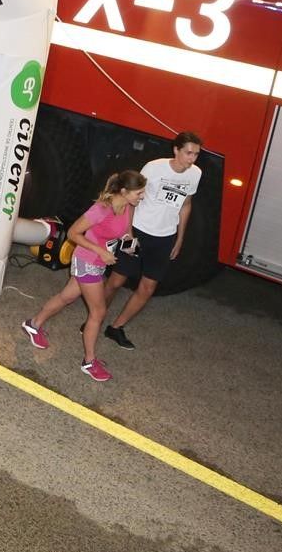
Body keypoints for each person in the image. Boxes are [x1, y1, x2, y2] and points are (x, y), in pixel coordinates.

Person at [23, 170, 149, 383]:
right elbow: (73, 233)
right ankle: (89, 362)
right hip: (87, 262)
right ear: (125, 191)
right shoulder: (101, 210)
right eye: (139, 193)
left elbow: (127, 233)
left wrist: (131, 247)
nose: (142, 197)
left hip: (98, 263)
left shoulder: (128, 206)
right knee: (98, 312)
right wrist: (100, 251)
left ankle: (33, 324)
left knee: (67, 297)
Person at [100, 133, 205, 349]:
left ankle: (116, 327)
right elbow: (132, 198)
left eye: (196, 154)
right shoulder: (154, 168)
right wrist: (128, 233)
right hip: (139, 231)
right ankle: (96, 317)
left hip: (165, 237)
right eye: (188, 153)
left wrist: (179, 238)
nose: (192, 159)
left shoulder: (195, 174)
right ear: (176, 150)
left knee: (147, 288)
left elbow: (186, 205)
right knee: (116, 281)